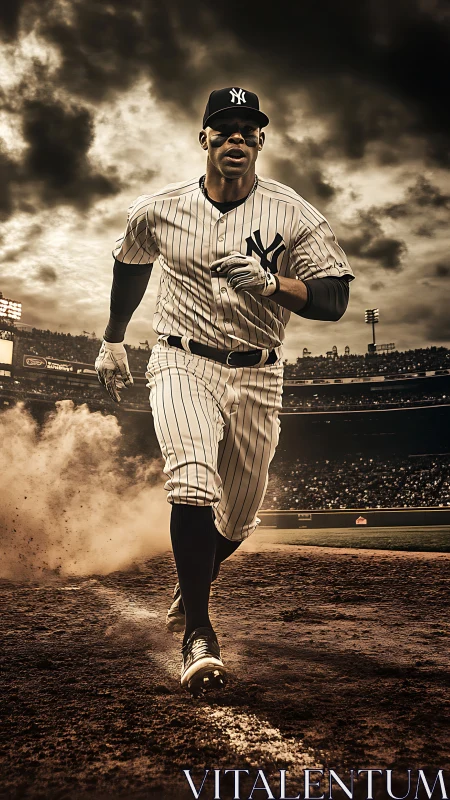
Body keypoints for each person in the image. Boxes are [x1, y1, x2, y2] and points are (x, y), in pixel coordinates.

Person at [95, 86, 355, 697]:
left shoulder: (293, 212)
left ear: (261, 140)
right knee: (190, 480)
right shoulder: (160, 209)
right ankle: (200, 632)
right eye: (224, 128)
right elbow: (130, 263)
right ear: (204, 137)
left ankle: (194, 582)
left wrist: (274, 284)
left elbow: (336, 298)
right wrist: (112, 339)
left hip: (260, 372)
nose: (235, 138)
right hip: (182, 359)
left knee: (237, 517)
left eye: (247, 129)